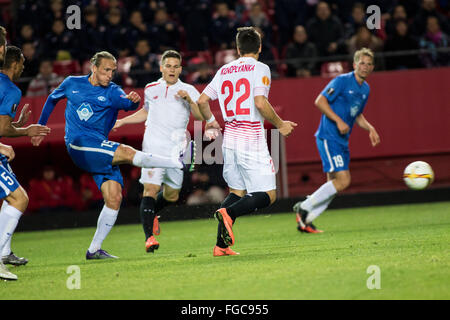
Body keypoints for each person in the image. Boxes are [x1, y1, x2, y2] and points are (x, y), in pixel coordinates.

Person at [32, 51, 191, 260]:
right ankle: (175, 162)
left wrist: (133, 101)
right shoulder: (72, 83)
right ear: (94, 67)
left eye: (113, 71)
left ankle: (94, 250)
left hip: (99, 149)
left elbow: (129, 104)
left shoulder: (113, 91)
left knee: (114, 197)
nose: (110, 75)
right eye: (106, 70)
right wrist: (41, 126)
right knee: (126, 152)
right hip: (79, 143)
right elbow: (52, 99)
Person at [197, 27, 297, 256]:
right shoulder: (261, 68)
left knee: (237, 192)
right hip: (251, 138)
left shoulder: (224, 70)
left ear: (238, 48)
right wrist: (281, 124)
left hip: (229, 139)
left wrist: (211, 121)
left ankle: (221, 246)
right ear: (260, 47)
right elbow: (260, 103)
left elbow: (202, 101)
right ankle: (228, 215)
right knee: (268, 195)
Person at [113, 50, 203, 253]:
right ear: (162, 67)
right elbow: (146, 112)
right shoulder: (151, 88)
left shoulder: (188, 89)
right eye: (168, 66)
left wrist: (189, 100)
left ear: (181, 69)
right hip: (153, 147)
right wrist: (123, 121)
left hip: (176, 150)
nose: (172, 69)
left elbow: (199, 116)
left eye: (176, 66)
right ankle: (149, 238)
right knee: (150, 190)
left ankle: (152, 213)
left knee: (172, 195)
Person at [293, 48, 380, 233]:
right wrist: (338, 120)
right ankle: (304, 207)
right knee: (343, 180)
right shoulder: (342, 81)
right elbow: (320, 101)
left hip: (341, 141)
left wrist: (370, 128)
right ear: (355, 64)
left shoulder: (366, 89)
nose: (365, 67)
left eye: (369, 64)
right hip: (328, 136)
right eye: (362, 63)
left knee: (333, 185)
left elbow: (357, 115)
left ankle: (306, 221)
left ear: (372, 67)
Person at [0, 46, 51, 280]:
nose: (23, 66)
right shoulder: (10, 88)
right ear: (14, 63)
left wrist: (17, 124)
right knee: (19, 199)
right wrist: (26, 130)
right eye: (22, 62)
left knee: (9, 199)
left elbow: (2, 126)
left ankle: (5, 252)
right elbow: (2, 129)